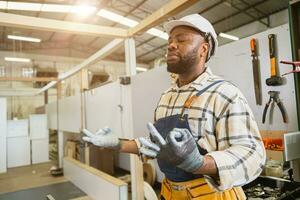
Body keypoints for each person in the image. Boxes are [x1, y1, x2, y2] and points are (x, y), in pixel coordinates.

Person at [82, 14, 266, 200]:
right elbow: (156, 144)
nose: (170, 45)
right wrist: (118, 143)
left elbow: (252, 154)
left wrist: (198, 163)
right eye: (169, 40)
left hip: (212, 195)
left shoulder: (224, 93)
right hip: (170, 193)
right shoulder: (167, 96)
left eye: (181, 40)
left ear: (203, 49)